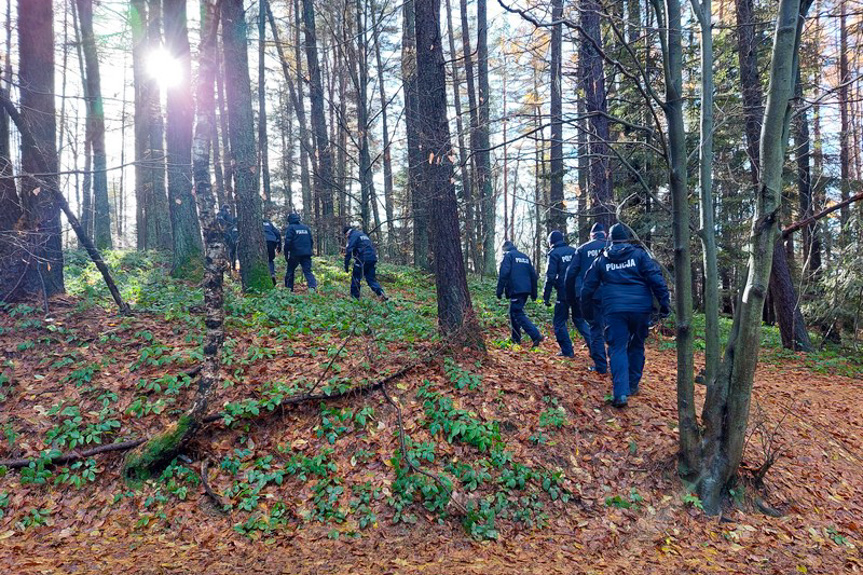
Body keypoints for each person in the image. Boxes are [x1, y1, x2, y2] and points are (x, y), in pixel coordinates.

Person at [581, 224, 670, 408]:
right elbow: (656, 279)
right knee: (636, 345)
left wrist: (587, 312)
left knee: (617, 348)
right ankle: (632, 385)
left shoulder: (602, 260)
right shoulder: (639, 255)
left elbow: (587, 288)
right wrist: (664, 304)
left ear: (610, 238)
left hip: (614, 310)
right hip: (640, 309)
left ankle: (620, 393)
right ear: (627, 238)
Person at [564, 223, 609, 373]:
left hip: (593, 295)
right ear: (605, 234)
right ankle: (620, 367)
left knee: (596, 330)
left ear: (591, 235)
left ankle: (601, 366)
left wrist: (571, 297)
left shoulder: (583, 249)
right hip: (614, 295)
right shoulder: (613, 246)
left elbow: (570, 274)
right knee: (618, 330)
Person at [496, 240, 543, 348]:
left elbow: (504, 273)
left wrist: (499, 290)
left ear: (505, 248)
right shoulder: (525, 257)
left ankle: (535, 334)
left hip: (516, 289)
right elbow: (533, 276)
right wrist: (533, 293)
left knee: (517, 313)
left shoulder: (509, 256)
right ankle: (516, 338)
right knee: (513, 312)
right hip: (526, 290)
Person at [542, 230, 576, 357]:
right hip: (578, 291)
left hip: (563, 292)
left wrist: (546, 296)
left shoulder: (554, 253)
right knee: (580, 321)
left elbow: (550, 276)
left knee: (559, 322)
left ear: (551, 242)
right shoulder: (574, 251)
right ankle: (595, 349)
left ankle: (567, 351)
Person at [344, 226, 386, 300]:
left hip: (362, 259)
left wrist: (346, 265)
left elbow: (349, 250)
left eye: (346, 236)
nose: (347, 237)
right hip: (372, 258)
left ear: (347, 233)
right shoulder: (362, 235)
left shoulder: (353, 236)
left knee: (356, 277)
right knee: (371, 279)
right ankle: (380, 292)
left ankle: (354, 298)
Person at [283, 213, 317, 292]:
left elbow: (287, 242)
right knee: (307, 271)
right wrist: (309, 250)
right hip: (306, 253)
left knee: (290, 271)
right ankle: (313, 287)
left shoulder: (291, 228)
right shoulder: (306, 228)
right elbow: (311, 241)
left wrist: (286, 254)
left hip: (295, 254)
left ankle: (288, 289)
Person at [217, 205, 238, 272]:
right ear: (227, 209)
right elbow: (229, 224)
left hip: (224, 235)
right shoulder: (225, 214)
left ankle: (230, 268)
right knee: (231, 251)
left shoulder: (219, 214)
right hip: (228, 235)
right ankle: (231, 268)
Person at [263, 218, 282, 286]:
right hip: (271, 241)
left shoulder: (256, 223)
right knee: (270, 259)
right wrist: (279, 245)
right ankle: (272, 273)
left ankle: (264, 276)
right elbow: (277, 233)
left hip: (261, 241)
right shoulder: (269, 224)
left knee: (261, 259)